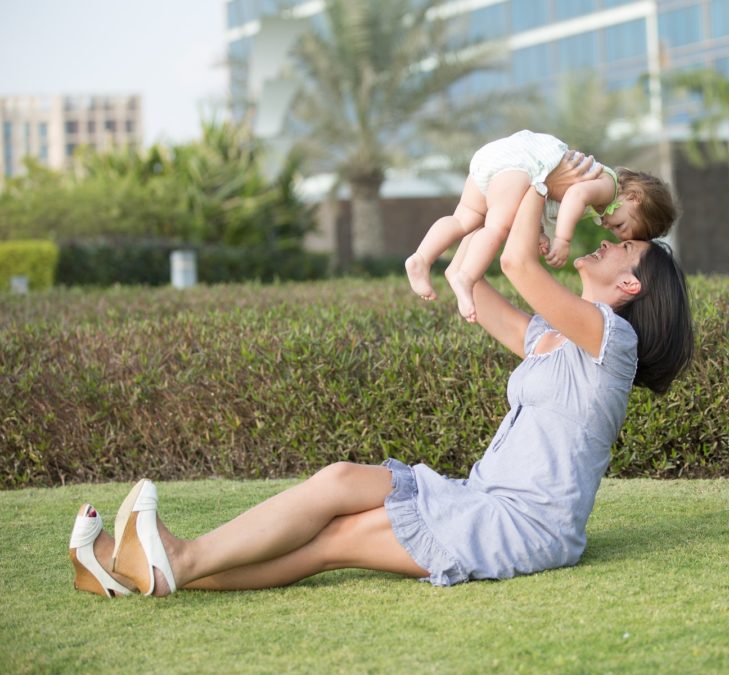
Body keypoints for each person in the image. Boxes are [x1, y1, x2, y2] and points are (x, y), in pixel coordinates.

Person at [66, 153, 694, 596]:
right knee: (340, 482)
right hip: (477, 495)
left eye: (625, 248)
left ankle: (170, 562)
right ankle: (131, 569)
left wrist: (537, 168)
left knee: (340, 539)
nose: (610, 240)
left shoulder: (613, 340)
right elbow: (479, 284)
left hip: (523, 526)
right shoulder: (555, 338)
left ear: (630, 284)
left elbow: (520, 263)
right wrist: (480, 217)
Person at [405, 129, 677, 322]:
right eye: (621, 227)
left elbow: (543, 198)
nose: (611, 230)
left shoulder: (601, 196)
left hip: (500, 159)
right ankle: (466, 277)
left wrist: (539, 232)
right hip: (523, 163)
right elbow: (573, 194)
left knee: (464, 218)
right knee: (497, 227)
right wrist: (562, 240)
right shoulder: (608, 187)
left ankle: (421, 258)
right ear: (634, 198)